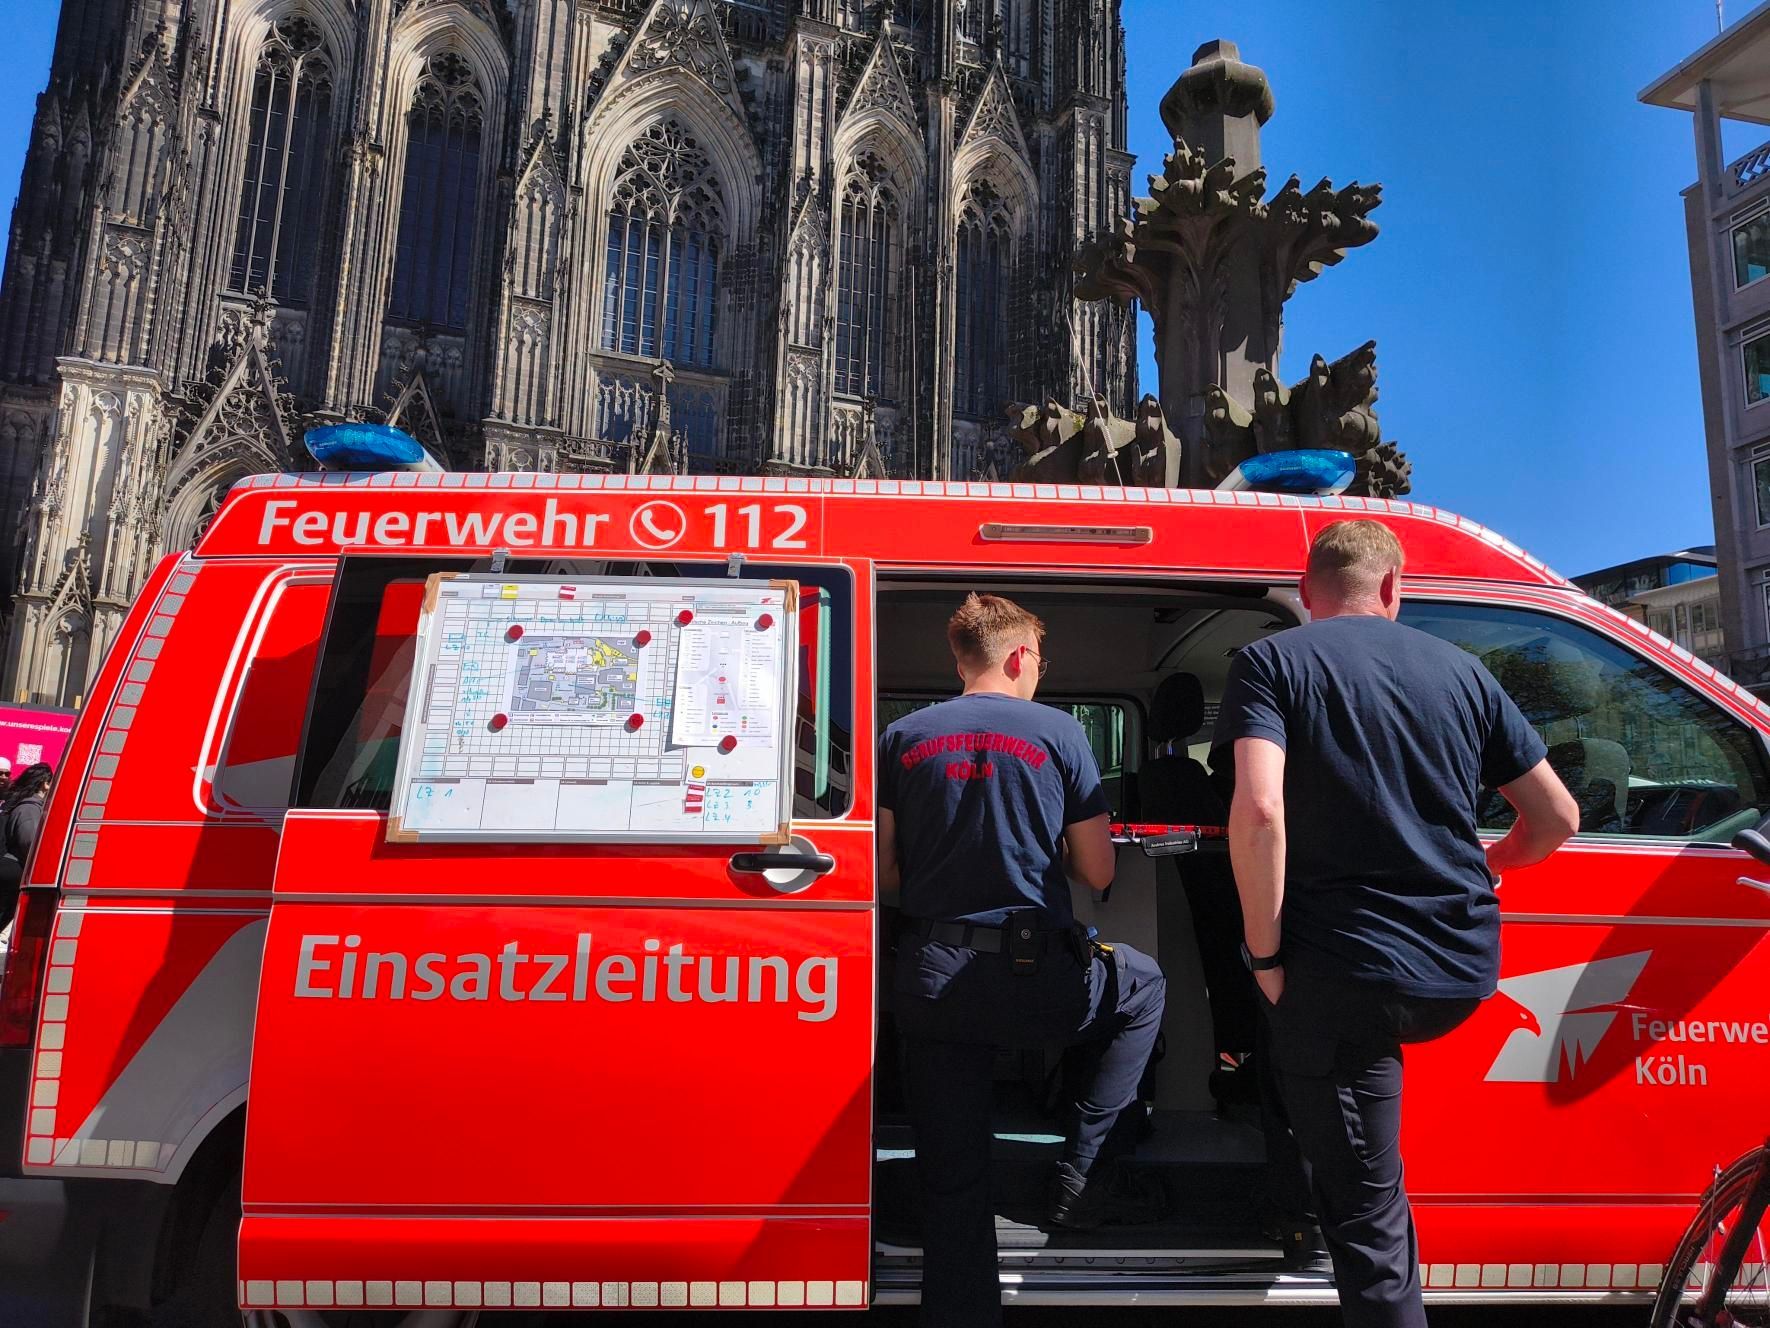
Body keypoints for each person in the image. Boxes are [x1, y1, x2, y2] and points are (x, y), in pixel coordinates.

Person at [1213, 520, 1579, 1328]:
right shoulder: (1465, 672)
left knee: (1364, 1216)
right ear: (1393, 589)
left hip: (1337, 972)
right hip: (1455, 971)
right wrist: (1491, 863)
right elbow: (1556, 816)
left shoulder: (1272, 661)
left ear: (1308, 595)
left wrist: (1263, 955)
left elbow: (1261, 809)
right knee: (1371, 1163)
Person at [879, 593, 1168, 1328]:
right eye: (1039, 660)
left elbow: (886, 878)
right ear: (1018, 659)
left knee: (952, 1176)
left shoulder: (901, 737)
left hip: (934, 979)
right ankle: (1083, 1177)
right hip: (1042, 982)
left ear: (960, 660)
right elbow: (1097, 872)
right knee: (1141, 985)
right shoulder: (1061, 734)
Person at [0, 763, 51, 930]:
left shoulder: (26, 806)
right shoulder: (30, 808)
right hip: (13, 871)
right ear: (44, 783)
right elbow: (28, 842)